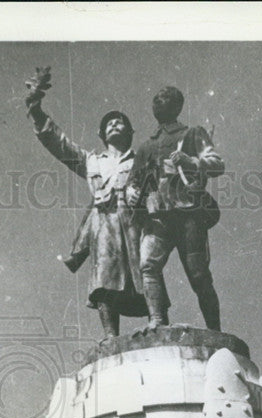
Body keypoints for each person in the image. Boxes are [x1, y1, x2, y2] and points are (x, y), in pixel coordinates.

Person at [24, 67, 169, 339]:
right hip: (104, 222)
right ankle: (110, 336)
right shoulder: (91, 160)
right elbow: (59, 142)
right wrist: (35, 109)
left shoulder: (142, 158)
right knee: (104, 276)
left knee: (145, 268)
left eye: (120, 122)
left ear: (130, 131)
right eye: (109, 123)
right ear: (102, 134)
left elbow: (160, 183)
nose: (114, 124)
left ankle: (158, 321)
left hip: (136, 219)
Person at [126, 85, 224, 331]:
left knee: (198, 274)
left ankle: (214, 329)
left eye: (166, 100)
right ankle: (157, 320)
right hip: (157, 215)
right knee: (148, 265)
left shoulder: (192, 134)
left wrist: (192, 161)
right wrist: (131, 192)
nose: (159, 104)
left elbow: (216, 163)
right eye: (156, 100)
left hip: (188, 212)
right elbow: (133, 181)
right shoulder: (146, 147)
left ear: (178, 106)